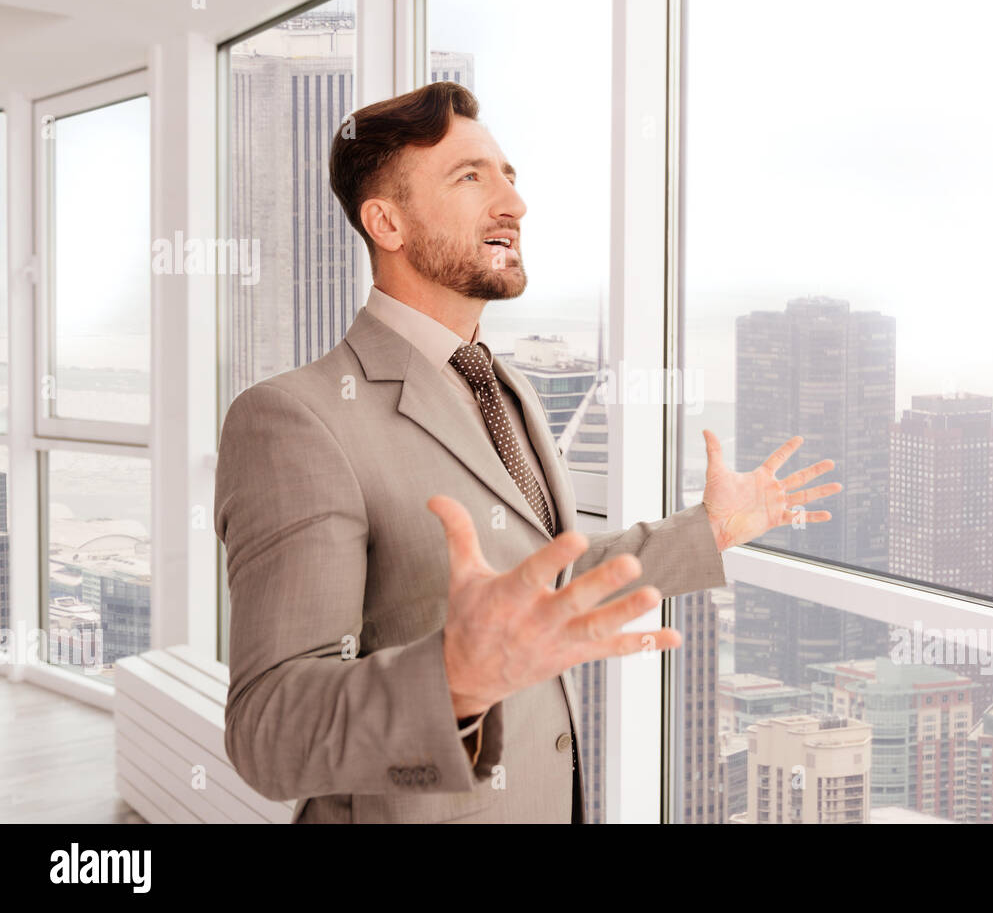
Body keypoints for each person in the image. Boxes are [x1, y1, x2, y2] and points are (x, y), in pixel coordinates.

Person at [215, 81, 842, 823]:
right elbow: (268, 733)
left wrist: (709, 530)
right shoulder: (295, 418)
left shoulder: (506, 386)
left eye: (509, 175)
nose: (514, 203)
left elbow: (546, 583)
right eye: (470, 176)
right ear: (386, 221)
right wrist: (451, 679)